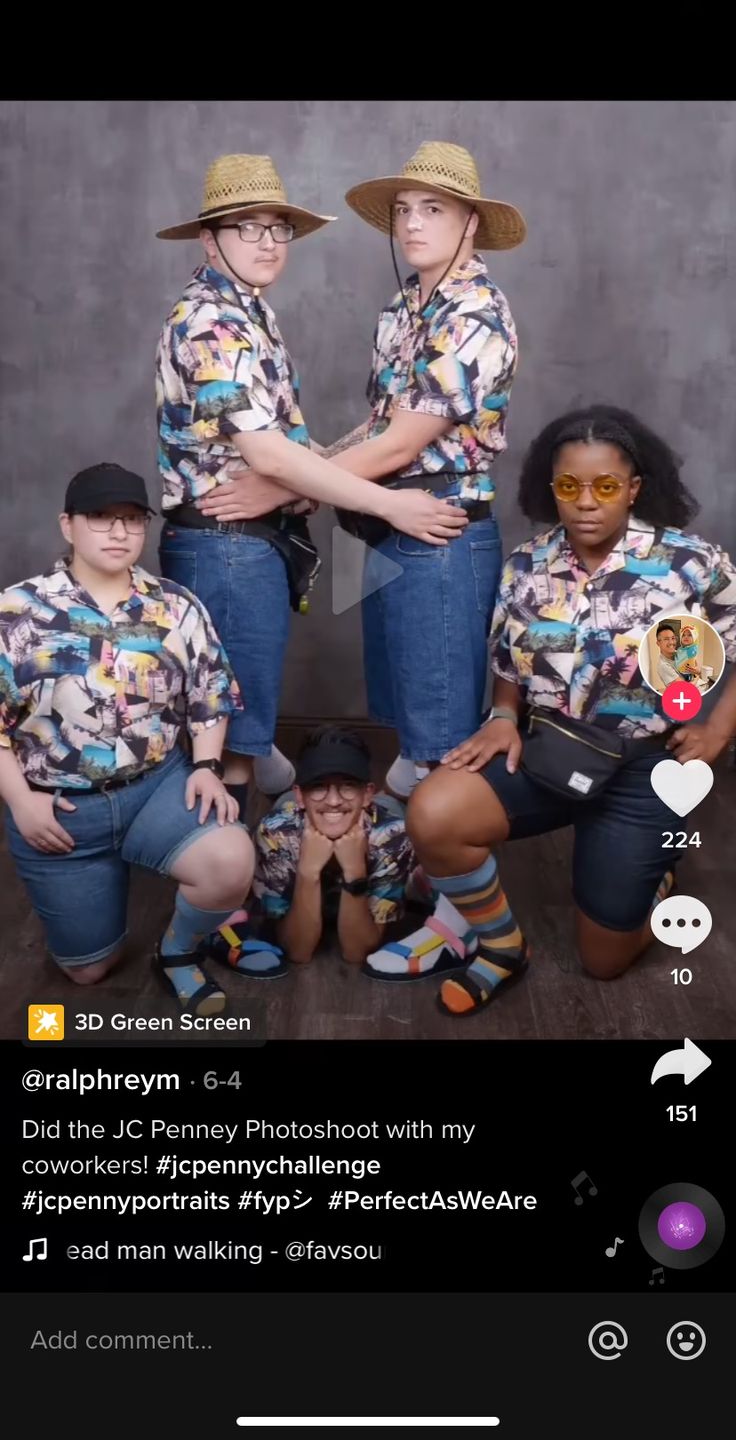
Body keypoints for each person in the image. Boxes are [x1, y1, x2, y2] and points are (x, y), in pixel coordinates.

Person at [393, 405, 736, 1015]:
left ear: (633, 489)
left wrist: (718, 730)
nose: (586, 502)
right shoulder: (527, 566)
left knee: (604, 963)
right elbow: (507, 659)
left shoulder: (690, 564)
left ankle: (647, 872)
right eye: (569, 486)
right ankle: (501, 948)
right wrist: (502, 716)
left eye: (605, 486)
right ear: (551, 488)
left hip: (646, 768)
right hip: (554, 750)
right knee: (436, 812)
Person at [155, 153, 467, 822]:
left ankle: (266, 833)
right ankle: (229, 891)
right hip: (227, 544)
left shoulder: (248, 313)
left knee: (244, 724)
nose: (268, 243)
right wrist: (386, 501)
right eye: (248, 228)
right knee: (233, 740)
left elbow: (301, 452)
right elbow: (268, 453)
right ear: (210, 239)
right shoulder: (214, 322)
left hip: (249, 542)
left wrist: (293, 484)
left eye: (278, 229)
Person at [0, 463, 284, 1018]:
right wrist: (19, 802)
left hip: (153, 788)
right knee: (86, 972)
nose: (118, 532)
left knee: (230, 859)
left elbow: (210, 695)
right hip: (60, 812)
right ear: (68, 525)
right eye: (101, 518)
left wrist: (205, 765)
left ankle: (176, 953)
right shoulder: (16, 612)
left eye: (131, 519)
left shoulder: (175, 606)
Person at [336, 140, 526, 799]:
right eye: (404, 211)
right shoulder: (400, 310)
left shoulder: (474, 313)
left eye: (434, 209)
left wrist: (287, 482)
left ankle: (455, 896)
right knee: (406, 721)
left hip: (439, 532)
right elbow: (381, 426)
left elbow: (401, 446)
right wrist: (316, 466)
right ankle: (404, 871)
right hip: (382, 522)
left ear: (470, 222)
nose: (413, 224)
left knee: (440, 738)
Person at [252, 726, 429, 965]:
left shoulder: (392, 835)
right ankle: (267, 758)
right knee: (283, 801)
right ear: (301, 796)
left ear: (367, 795)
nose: (334, 800)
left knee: (395, 803)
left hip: (380, 813)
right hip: (294, 811)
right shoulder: (276, 833)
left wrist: (355, 871)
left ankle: (407, 761)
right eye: (318, 786)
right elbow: (298, 951)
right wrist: (308, 871)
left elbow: (356, 952)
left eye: (347, 785)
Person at [655, 621, 698, 688]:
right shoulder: (663, 665)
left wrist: (696, 671)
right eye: (666, 639)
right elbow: (686, 688)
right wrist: (698, 677)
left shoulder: (678, 653)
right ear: (658, 643)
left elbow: (694, 664)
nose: (671, 642)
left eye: (673, 638)